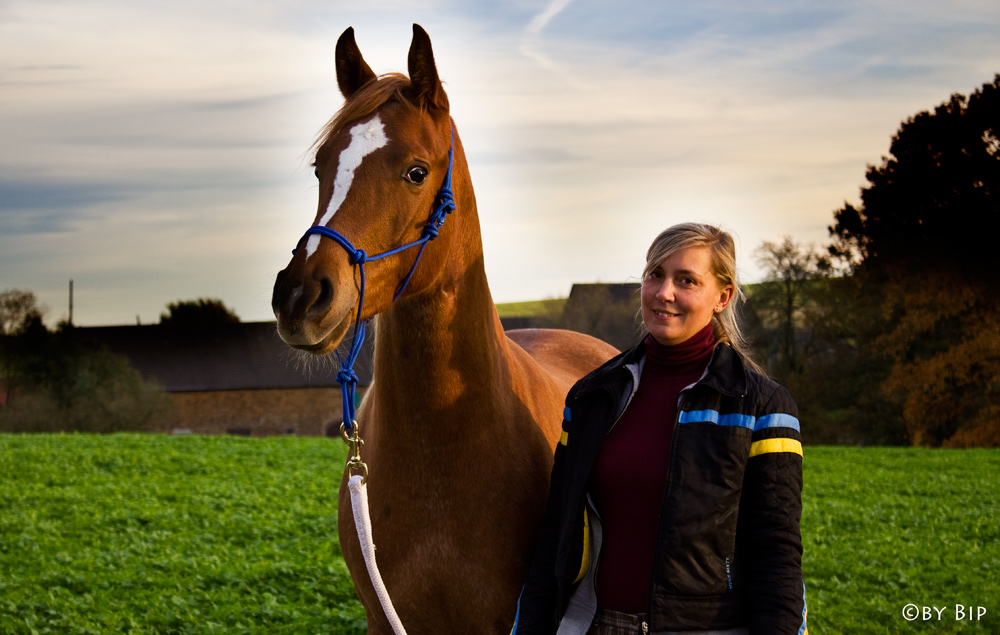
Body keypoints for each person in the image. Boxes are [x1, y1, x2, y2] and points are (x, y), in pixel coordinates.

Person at [513, 223, 807, 635]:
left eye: (686, 280)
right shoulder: (591, 397)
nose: (664, 292)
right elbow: (554, 536)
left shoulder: (762, 407)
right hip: (595, 626)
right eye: (655, 275)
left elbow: (776, 555)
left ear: (722, 297)